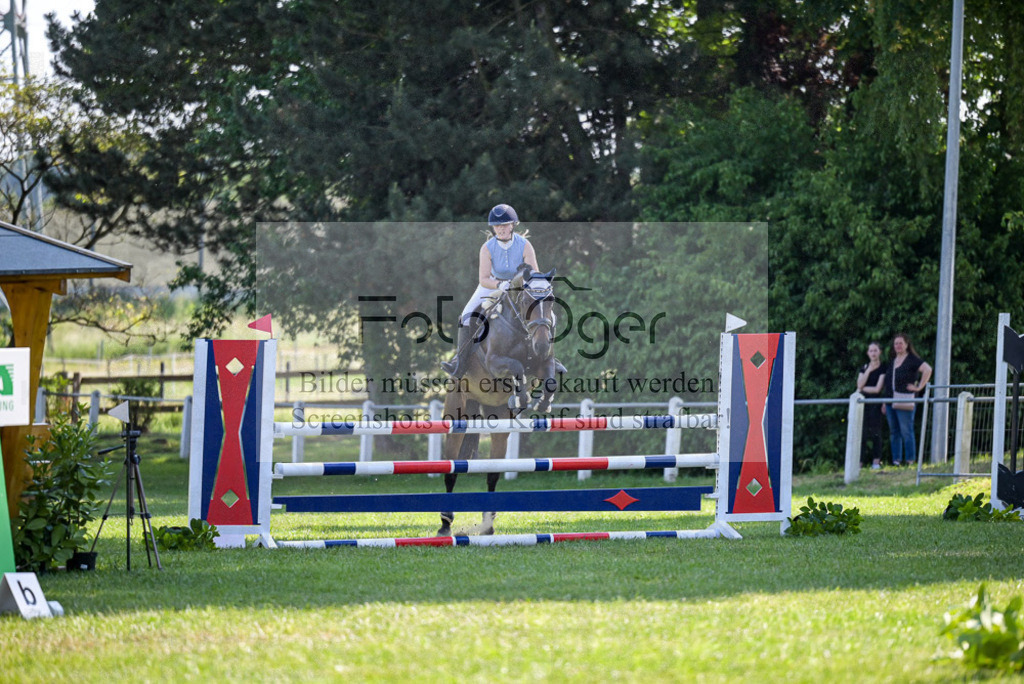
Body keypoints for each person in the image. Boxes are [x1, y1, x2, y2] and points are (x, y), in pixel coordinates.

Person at [441, 203, 540, 379]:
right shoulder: (487, 248)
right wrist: (499, 285)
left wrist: (523, 286)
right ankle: (460, 362)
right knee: (466, 315)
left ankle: (549, 357)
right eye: (497, 226)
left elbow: (534, 274)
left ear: (512, 225)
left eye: (504, 225)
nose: (500, 229)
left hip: (519, 288)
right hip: (492, 285)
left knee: (541, 311)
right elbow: (483, 279)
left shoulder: (525, 245)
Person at [882, 333, 932, 466]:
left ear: (906, 344)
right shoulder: (893, 360)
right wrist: (884, 402)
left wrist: (919, 387)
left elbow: (927, 369)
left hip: (905, 399)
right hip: (890, 400)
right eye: (896, 343)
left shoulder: (912, 359)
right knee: (894, 431)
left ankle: (910, 460)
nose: (898, 346)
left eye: (900, 343)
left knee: (906, 431)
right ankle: (896, 460)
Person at [856, 342, 886, 470]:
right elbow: (859, 385)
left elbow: (877, 389)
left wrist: (863, 389)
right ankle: (859, 463)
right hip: (863, 404)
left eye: (875, 350)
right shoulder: (864, 367)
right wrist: (868, 370)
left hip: (876, 403)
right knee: (861, 433)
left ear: (880, 352)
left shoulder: (883, 368)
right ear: (868, 353)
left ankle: (876, 461)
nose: (873, 353)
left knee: (876, 433)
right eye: (870, 351)